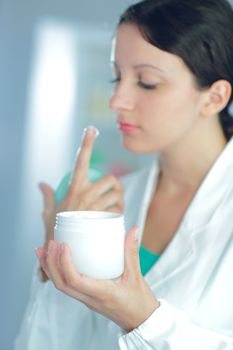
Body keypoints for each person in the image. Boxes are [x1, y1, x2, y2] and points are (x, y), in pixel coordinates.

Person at [14, 0, 233, 349]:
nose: (117, 100)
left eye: (147, 82)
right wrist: (56, 264)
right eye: (117, 76)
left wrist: (144, 320)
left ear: (214, 97)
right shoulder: (107, 204)